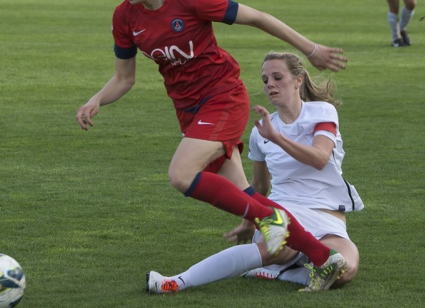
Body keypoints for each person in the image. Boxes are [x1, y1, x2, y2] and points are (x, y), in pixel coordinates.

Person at [76, 0, 348, 291]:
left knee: (181, 173)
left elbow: (259, 18)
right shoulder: (124, 18)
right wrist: (96, 100)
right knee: (247, 195)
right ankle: (324, 259)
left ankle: (271, 217)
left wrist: (311, 49)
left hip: (223, 97)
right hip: (189, 112)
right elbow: (123, 78)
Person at [147, 52, 364, 293]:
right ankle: (175, 282)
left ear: (298, 80)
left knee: (345, 271)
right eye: (265, 80)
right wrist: (249, 223)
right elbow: (258, 186)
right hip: (284, 212)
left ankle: (283, 274)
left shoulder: (321, 112)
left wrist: (277, 138)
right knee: (279, 248)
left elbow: (320, 158)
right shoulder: (260, 131)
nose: (270, 84)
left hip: (328, 217)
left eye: (277, 77)